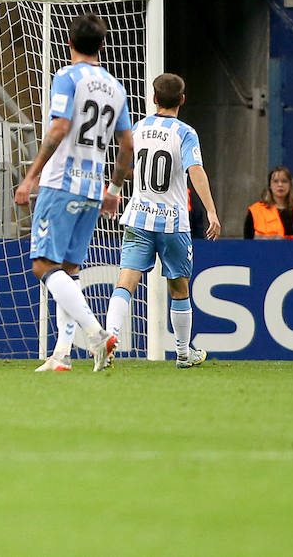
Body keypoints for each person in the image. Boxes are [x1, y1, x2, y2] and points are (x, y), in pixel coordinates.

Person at [13, 13, 134, 372]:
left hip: (61, 183)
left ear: (69, 43)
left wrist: (31, 176)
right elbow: (127, 144)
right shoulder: (115, 86)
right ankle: (62, 353)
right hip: (94, 188)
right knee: (69, 269)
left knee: (42, 266)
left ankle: (97, 335)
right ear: (101, 45)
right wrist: (113, 189)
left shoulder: (67, 77)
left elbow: (59, 128)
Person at [96, 73, 220, 372]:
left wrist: (113, 188)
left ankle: (110, 336)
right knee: (179, 288)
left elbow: (128, 168)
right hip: (173, 223)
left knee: (126, 281)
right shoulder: (186, 132)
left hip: (138, 217)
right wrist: (212, 212)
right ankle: (181, 353)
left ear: (153, 99)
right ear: (182, 100)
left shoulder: (139, 128)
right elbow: (196, 171)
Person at [244, 165, 293, 238]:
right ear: (270, 185)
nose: (280, 185)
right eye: (275, 181)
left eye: (284, 181)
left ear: (290, 185)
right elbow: (246, 244)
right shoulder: (256, 211)